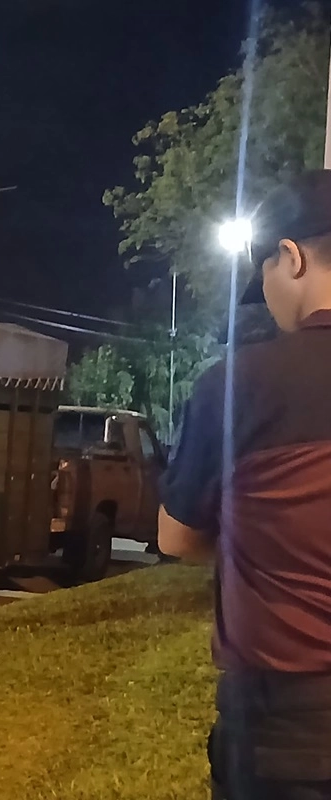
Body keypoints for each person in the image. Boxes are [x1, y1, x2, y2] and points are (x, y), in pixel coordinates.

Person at [158, 170, 331, 799]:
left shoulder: (241, 385)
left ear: (292, 257)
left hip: (288, 734)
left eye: (263, 275)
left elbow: (176, 537)